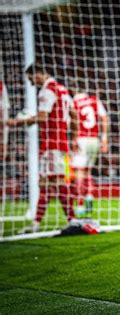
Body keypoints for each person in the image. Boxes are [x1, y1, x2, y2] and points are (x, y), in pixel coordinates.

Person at [7, 64, 78, 233]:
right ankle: (39, 223)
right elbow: (74, 115)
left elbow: (42, 117)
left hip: (51, 144)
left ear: (38, 74)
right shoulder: (62, 89)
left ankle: (70, 220)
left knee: (54, 182)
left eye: (31, 79)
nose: (32, 83)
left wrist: (17, 121)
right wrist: (73, 137)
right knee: (48, 183)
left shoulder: (47, 91)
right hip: (61, 143)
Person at [69, 86, 109, 218]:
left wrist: (73, 139)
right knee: (88, 172)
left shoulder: (73, 102)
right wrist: (104, 138)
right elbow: (105, 118)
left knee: (79, 173)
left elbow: (73, 122)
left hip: (81, 139)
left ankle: (80, 205)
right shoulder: (94, 100)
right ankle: (90, 197)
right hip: (94, 140)